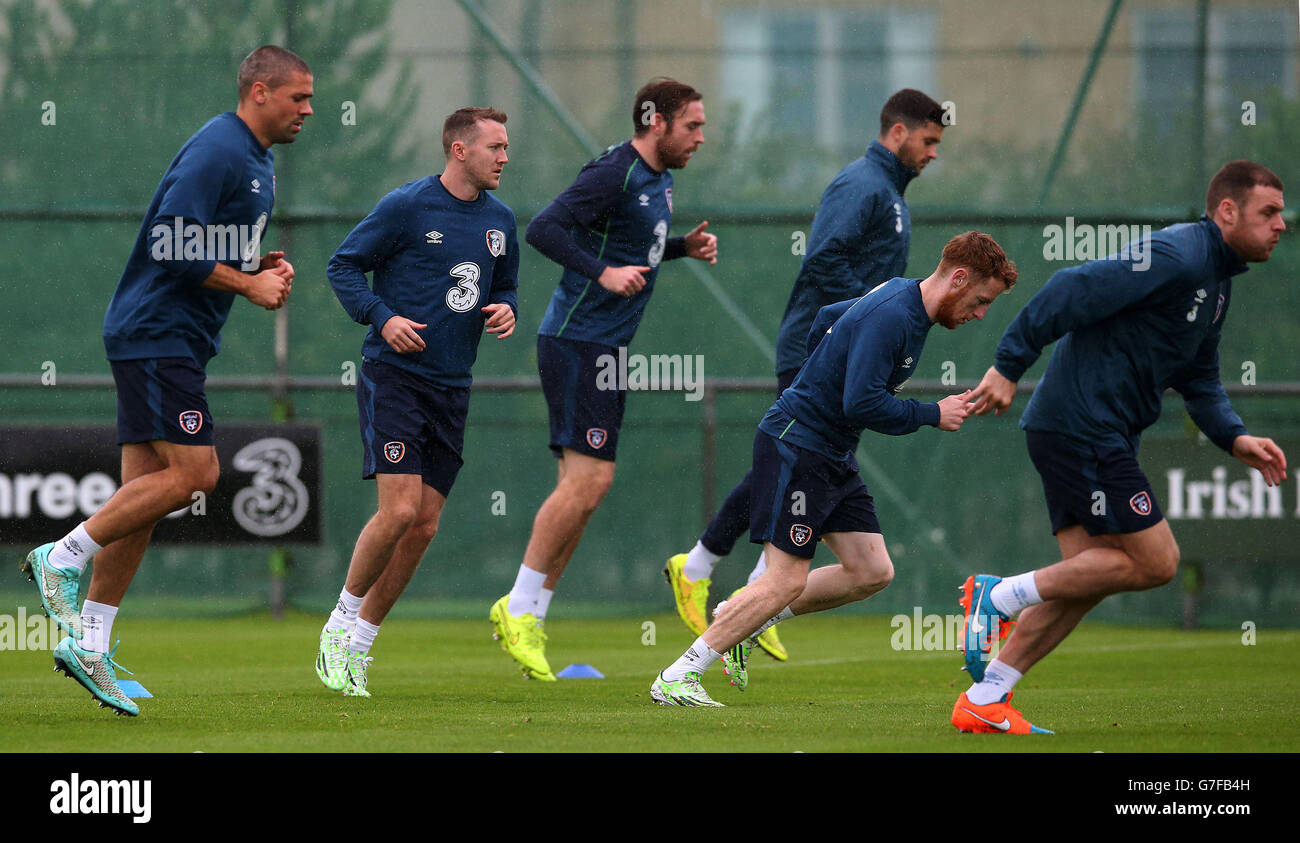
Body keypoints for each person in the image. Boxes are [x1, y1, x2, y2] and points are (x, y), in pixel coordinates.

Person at [21, 46, 312, 716]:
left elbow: (199, 243)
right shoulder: (221, 148)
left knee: (144, 495)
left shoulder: (257, 161)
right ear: (259, 91)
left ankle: (89, 642)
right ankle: (59, 556)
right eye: (298, 97)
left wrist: (251, 260)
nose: (309, 110)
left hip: (173, 338)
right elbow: (169, 243)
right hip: (157, 334)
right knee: (197, 475)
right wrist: (250, 284)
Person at [956, 161, 1287, 735]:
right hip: (1083, 425)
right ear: (1227, 211)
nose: (1281, 224)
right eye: (1269, 212)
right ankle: (997, 594)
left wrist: (1235, 437)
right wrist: (1008, 365)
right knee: (1158, 562)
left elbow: (1201, 381)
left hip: (1086, 429)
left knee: (1091, 577)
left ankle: (986, 698)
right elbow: (1070, 287)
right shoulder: (1178, 255)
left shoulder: (1217, 284)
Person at [651, 232, 1019, 706]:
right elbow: (862, 401)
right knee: (786, 579)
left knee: (871, 571)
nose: (980, 313)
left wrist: (819, 374)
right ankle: (678, 676)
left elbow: (827, 319)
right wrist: (932, 413)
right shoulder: (893, 315)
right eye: (981, 300)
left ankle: (742, 616)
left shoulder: (901, 296)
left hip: (833, 453)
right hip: (799, 448)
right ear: (960, 278)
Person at [664, 89, 947, 663]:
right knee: (797, 452)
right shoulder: (862, 184)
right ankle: (720, 580)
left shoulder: (889, 192)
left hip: (839, 349)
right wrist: (872, 321)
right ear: (897, 132)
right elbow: (823, 260)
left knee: (810, 466)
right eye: (929, 140)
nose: (934, 153)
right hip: (817, 351)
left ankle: (732, 585)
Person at [489, 77, 718, 681]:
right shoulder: (614, 170)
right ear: (656, 122)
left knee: (587, 488)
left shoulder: (660, 181)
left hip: (605, 347)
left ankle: (528, 611)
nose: (701, 135)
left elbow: (634, 245)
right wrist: (604, 272)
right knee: (589, 481)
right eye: (691, 125)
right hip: (575, 340)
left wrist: (682, 250)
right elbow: (543, 228)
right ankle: (518, 607)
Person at [316, 107, 518, 697]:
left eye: (507, 147)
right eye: (495, 147)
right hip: (395, 376)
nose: (505, 157)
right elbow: (344, 266)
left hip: (453, 386)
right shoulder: (406, 206)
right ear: (459, 150)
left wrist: (507, 308)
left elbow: (503, 284)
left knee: (424, 526)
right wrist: (384, 316)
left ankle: (360, 645)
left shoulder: (502, 221)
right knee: (399, 510)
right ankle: (338, 622)